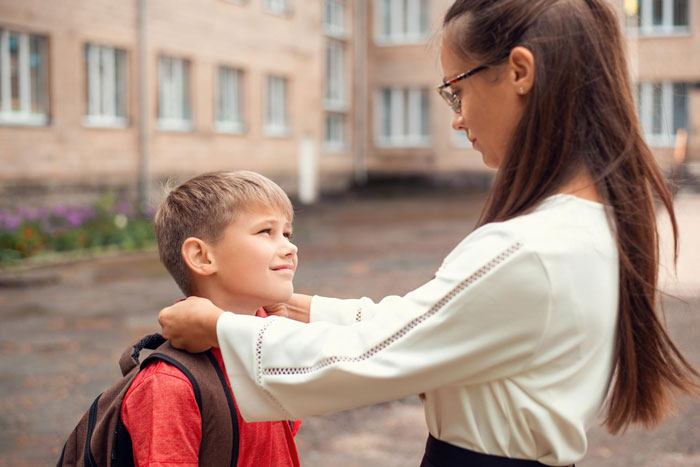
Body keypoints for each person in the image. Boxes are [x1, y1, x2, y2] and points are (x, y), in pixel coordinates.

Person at [158, 1, 699, 466]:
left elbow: (374, 357)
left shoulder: (527, 250)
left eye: (454, 91)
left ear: (519, 72)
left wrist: (221, 328)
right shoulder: (586, 227)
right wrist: (308, 309)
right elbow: (437, 326)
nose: (458, 120)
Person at [124, 171, 302, 466]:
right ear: (202, 257)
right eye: (265, 232)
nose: (290, 247)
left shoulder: (272, 345)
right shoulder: (170, 384)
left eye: (286, 233)